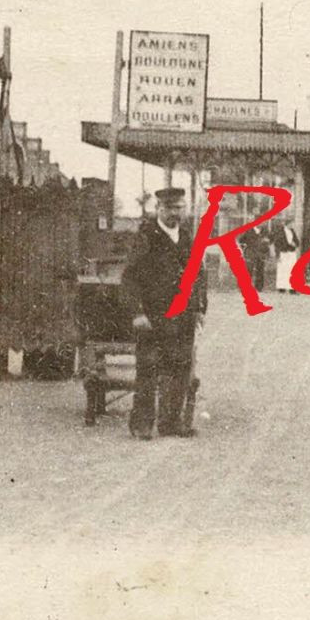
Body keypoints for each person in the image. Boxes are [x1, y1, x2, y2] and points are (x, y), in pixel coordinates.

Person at [121, 187, 206, 439]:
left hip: (184, 315)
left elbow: (199, 275)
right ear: (159, 209)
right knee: (149, 368)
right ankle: (142, 424)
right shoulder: (146, 237)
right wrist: (137, 312)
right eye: (170, 208)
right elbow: (130, 278)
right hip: (154, 315)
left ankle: (171, 422)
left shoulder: (188, 238)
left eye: (179, 208)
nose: (175, 213)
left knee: (180, 367)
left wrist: (200, 307)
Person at [273, 218, 300, 292]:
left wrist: (295, 244)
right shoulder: (280, 232)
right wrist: (277, 254)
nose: (292, 225)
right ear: (287, 224)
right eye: (291, 224)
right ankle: (282, 287)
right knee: (283, 270)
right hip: (283, 252)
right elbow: (277, 244)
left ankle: (292, 287)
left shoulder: (292, 231)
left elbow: (297, 242)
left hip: (291, 252)